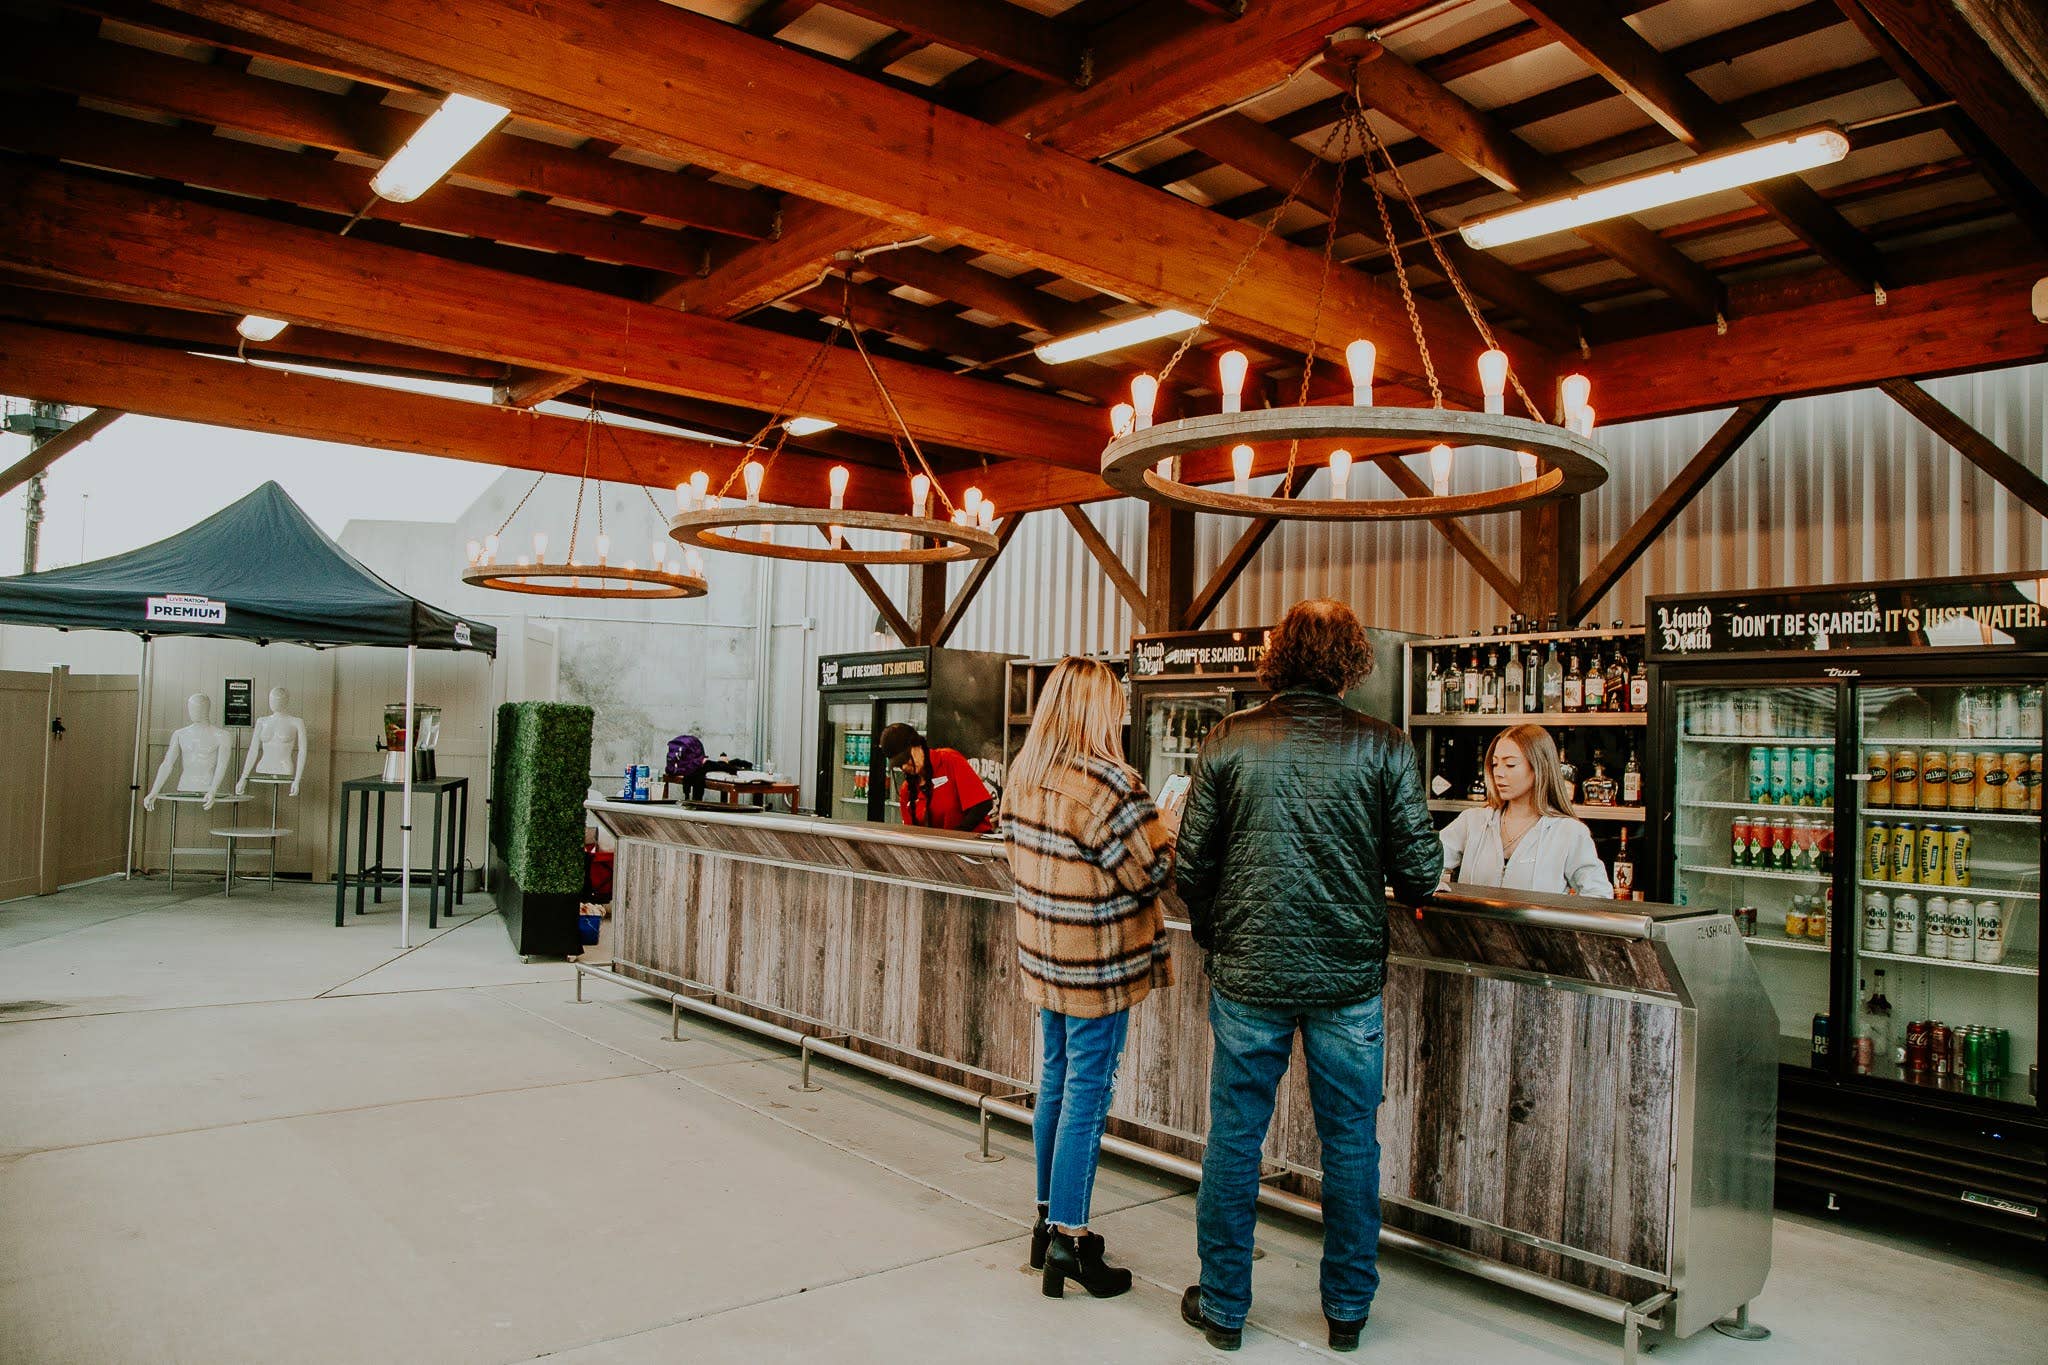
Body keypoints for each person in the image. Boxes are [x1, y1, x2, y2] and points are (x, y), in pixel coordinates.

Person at [1172, 600, 1441, 1353]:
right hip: (1348, 980)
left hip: (1249, 975)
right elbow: (1422, 873)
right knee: (1351, 1143)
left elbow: (1189, 865)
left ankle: (1224, 1308)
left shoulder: (1229, 738)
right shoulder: (1385, 747)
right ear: (1353, 661)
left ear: (1276, 656)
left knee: (1234, 1139)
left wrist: (1216, 933)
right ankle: (1347, 1312)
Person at [1000, 657, 1174, 1300]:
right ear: (1100, 709)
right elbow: (1150, 873)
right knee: (1087, 1095)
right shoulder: (1110, 785)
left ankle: (1045, 1221)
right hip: (1097, 966)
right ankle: (1073, 1239)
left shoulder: (1024, 776)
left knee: (1054, 1080)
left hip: (1046, 957)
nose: (1127, 709)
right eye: (1119, 700)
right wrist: (1171, 824)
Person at [1439, 724, 1614, 897]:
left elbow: (1599, 896)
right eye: (1495, 764)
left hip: (1536, 927)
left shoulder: (1569, 832)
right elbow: (1422, 862)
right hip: (1474, 926)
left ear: (1539, 767)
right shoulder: (1473, 821)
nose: (1498, 773)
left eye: (1510, 765)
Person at [879, 722, 993, 832]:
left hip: (970, 845)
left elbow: (982, 805)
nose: (904, 766)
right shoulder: (906, 790)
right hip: (937, 848)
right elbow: (911, 834)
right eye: (899, 764)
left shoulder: (949, 760)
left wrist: (955, 838)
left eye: (906, 759)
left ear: (917, 745)